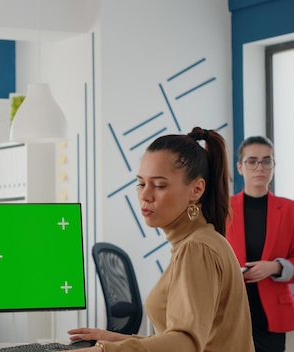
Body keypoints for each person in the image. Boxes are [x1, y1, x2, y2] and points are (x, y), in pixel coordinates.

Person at [67, 127, 254, 351]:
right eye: (141, 183)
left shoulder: (197, 247)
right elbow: (189, 340)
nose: (145, 195)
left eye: (159, 185)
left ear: (196, 189)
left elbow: (186, 343)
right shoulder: (198, 241)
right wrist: (115, 338)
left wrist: (102, 350)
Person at [226, 136, 294, 352]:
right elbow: (210, 257)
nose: (260, 167)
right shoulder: (223, 209)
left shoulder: (289, 210)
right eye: (252, 161)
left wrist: (276, 267)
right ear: (240, 167)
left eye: (267, 161)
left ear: (273, 165)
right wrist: (234, 272)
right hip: (230, 307)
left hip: (271, 312)